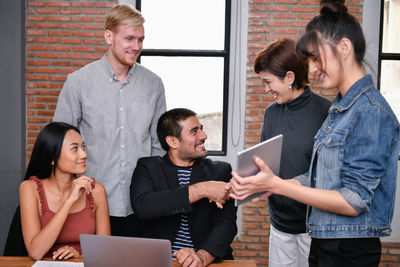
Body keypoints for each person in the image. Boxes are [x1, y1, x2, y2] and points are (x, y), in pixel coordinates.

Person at [229, 2, 400, 267]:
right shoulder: (342, 109)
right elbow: (321, 176)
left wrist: (278, 185)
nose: (312, 69)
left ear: (344, 48)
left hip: (348, 249)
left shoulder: (370, 112)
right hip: (327, 242)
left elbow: (353, 201)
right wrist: (269, 182)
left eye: (316, 58)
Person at [53, 4, 166, 236]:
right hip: (89, 204)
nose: (136, 47)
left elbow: (159, 145)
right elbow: (61, 145)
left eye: (141, 40)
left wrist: (157, 195)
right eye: (129, 39)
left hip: (141, 206)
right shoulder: (78, 82)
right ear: (108, 36)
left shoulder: (154, 84)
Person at [254, 38, 331, 267]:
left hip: (313, 226)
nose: (266, 89)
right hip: (279, 224)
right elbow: (264, 162)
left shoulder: (326, 111)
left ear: (289, 77)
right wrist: (256, 184)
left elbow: (328, 174)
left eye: (268, 82)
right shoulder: (271, 113)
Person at [130, 108, 237, 267]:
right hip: (160, 261)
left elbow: (226, 224)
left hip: (205, 261)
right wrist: (202, 189)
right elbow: (144, 207)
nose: (203, 136)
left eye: (202, 129)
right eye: (194, 131)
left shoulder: (220, 171)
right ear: (172, 141)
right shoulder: (148, 167)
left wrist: (202, 257)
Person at [19, 122, 110, 260]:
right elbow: (35, 252)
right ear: (52, 158)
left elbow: (105, 253)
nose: (84, 154)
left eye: (83, 147)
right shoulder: (30, 189)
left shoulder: (97, 191)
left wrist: (78, 257)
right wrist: (70, 200)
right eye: (75, 148)